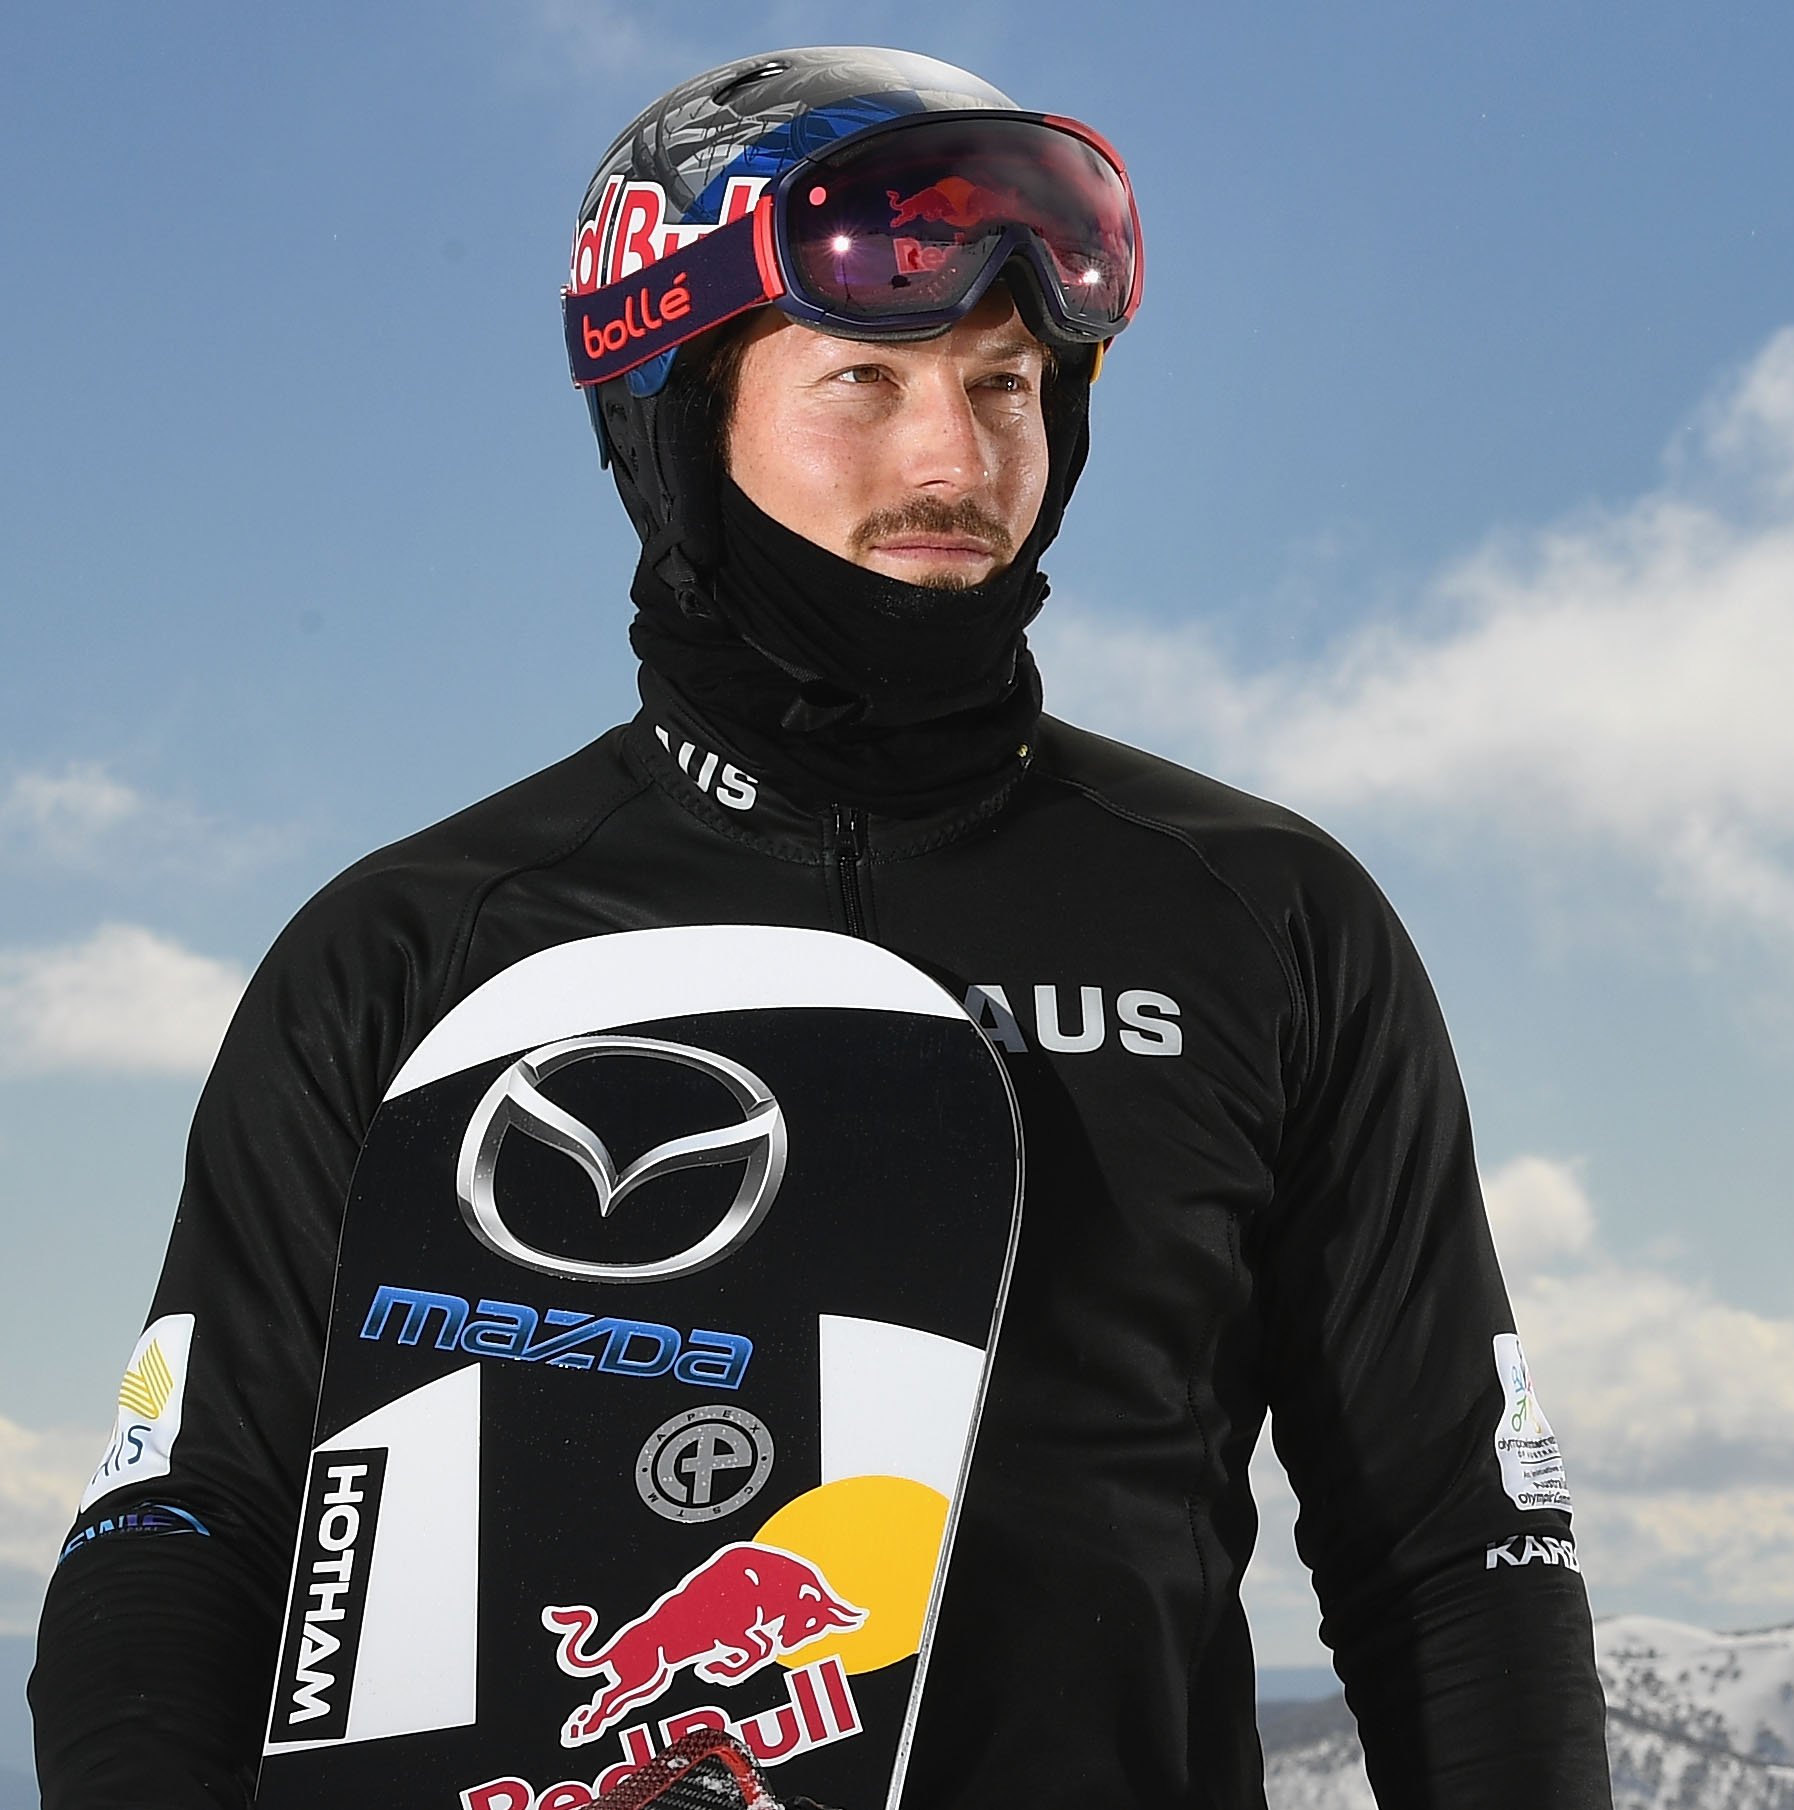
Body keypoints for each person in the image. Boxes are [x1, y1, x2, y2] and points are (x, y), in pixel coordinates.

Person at [29, 44, 1611, 1809]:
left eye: (1007, 383)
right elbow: (193, 1524)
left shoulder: (1260, 917)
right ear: (677, 411)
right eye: (863, 377)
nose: (956, 454)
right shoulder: (420, 952)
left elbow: (1455, 1550)